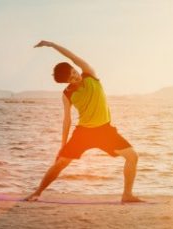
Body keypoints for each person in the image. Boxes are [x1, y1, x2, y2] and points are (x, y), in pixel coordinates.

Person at [24, 40, 143, 202]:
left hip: (105, 131)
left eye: (74, 72)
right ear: (67, 82)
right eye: (71, 78)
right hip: (83, 133)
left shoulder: (90, 75)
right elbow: (67, 120)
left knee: (132, 156)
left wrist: (51, 45)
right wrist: (62, 145)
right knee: (60, 163)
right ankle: (37, 192)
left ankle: (127, 195)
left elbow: (72, 56)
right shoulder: (67, 94)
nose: (76, 77)